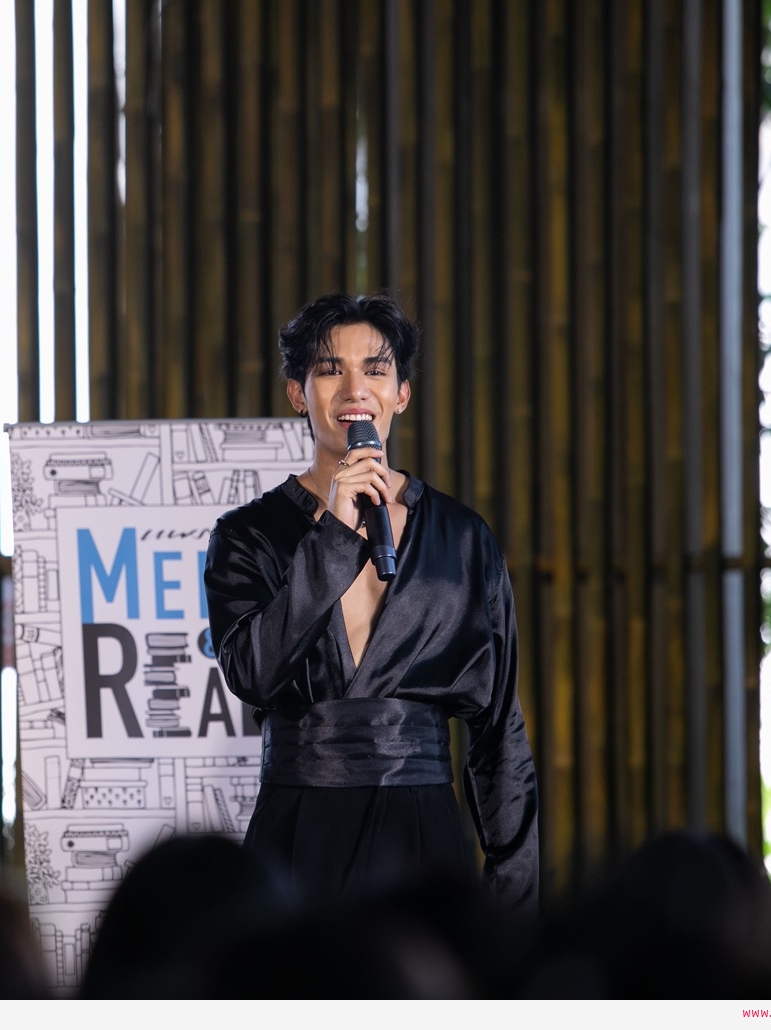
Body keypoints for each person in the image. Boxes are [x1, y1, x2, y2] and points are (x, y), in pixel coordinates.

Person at [203, 292, 538, 912]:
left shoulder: (462, 538)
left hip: (424, 836)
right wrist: (333, 535)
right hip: (298, 833)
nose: (355, 389)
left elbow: (499, 737)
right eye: (330, 370)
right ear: (298, 393)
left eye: (375, 370)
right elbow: (252, 673)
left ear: (401, 393)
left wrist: (512, 909)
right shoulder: (247, 535)